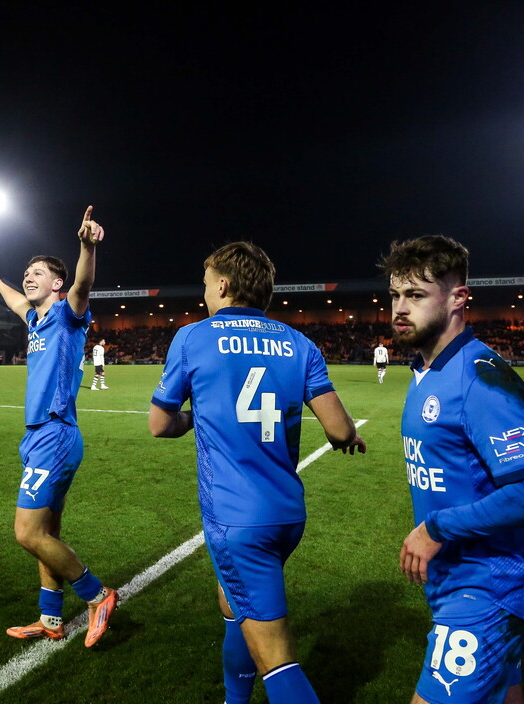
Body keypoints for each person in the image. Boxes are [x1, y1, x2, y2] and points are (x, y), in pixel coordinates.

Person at [149, 241, 366, 704]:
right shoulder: (299, 343)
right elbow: (340, 429)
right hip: (288, 514)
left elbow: (160, 424)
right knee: (234, 607)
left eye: (206, 284)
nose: (203, 293)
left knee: (278, 659)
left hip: (238, 519)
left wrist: (197, 417)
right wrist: (349, 438)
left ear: (223, 285)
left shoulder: (193, 337)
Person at [380, 235, 524, 704]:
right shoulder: (428, 371)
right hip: (457, 580)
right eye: (396, 295)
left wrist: (437, 528)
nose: (400, 308)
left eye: (416, 295)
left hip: (490, 587)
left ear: (458, 297)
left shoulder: (478, 377)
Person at [0, 205, 118, 648]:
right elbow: (17, 302)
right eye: (27, 272)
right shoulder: (37, 320)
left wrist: (86, 245)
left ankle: (98, 595)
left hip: (55, 433)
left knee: (27, 533)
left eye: (37, 272)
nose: (28, 277)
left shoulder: (68, 315)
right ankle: (51, 619)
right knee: (47, 534)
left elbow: (83, 283)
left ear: (55, 283)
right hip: (36, 434)